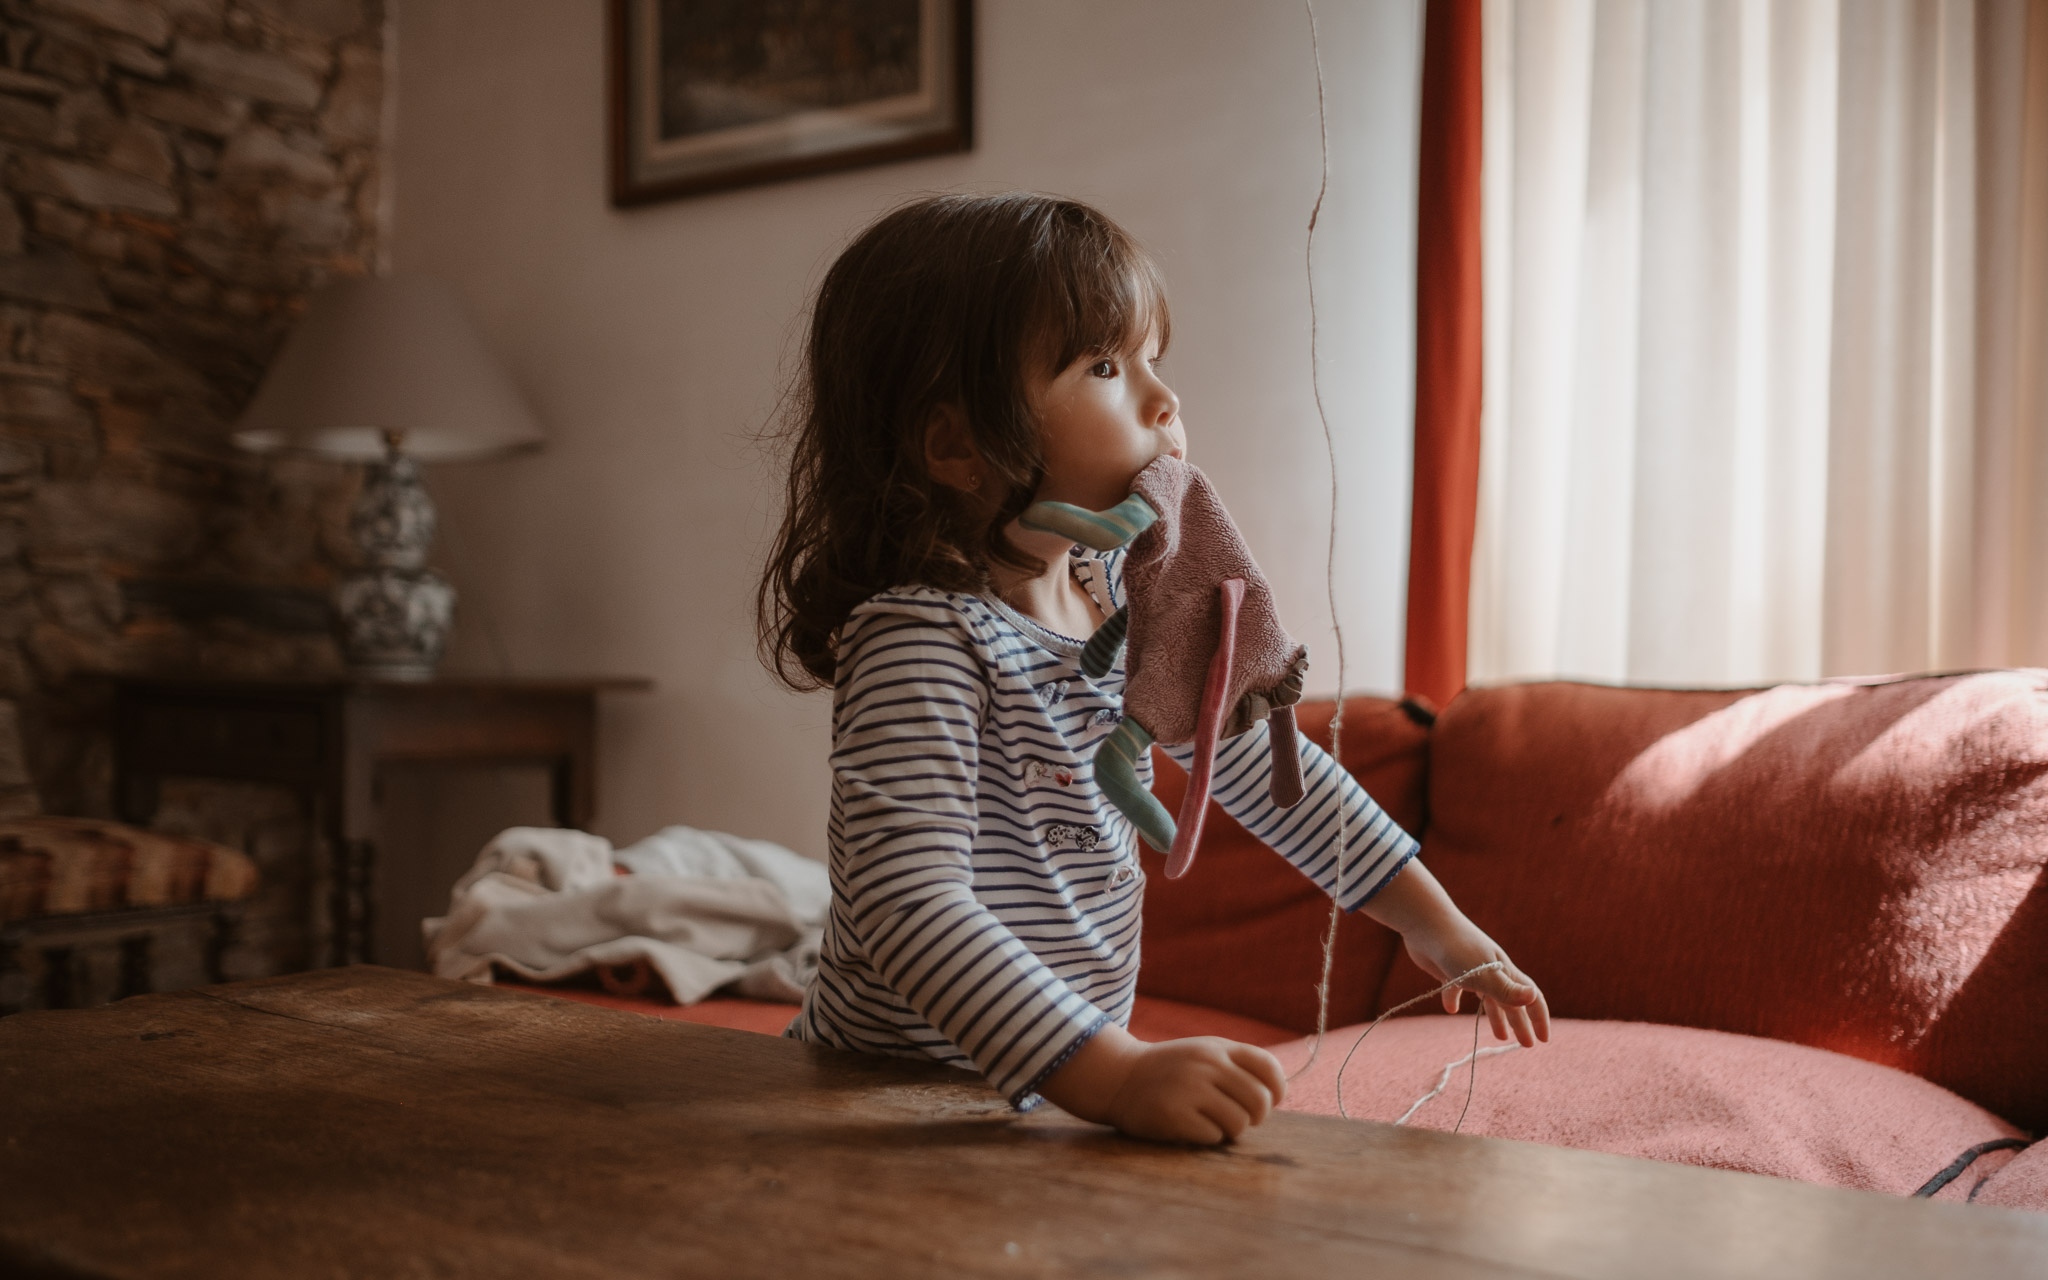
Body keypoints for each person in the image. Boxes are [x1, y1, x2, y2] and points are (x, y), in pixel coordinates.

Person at [758, 191, 1548, 1144]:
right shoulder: (921, 638)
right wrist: (1115, 1074)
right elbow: (907, 905)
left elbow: (1257, 767)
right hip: (883, 1101)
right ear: (959, 445)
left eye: (1152, 362)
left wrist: (1433, 921)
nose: (1163, 400)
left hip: (1038, 1091)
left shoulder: (1117, 599)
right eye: (1103, 365)